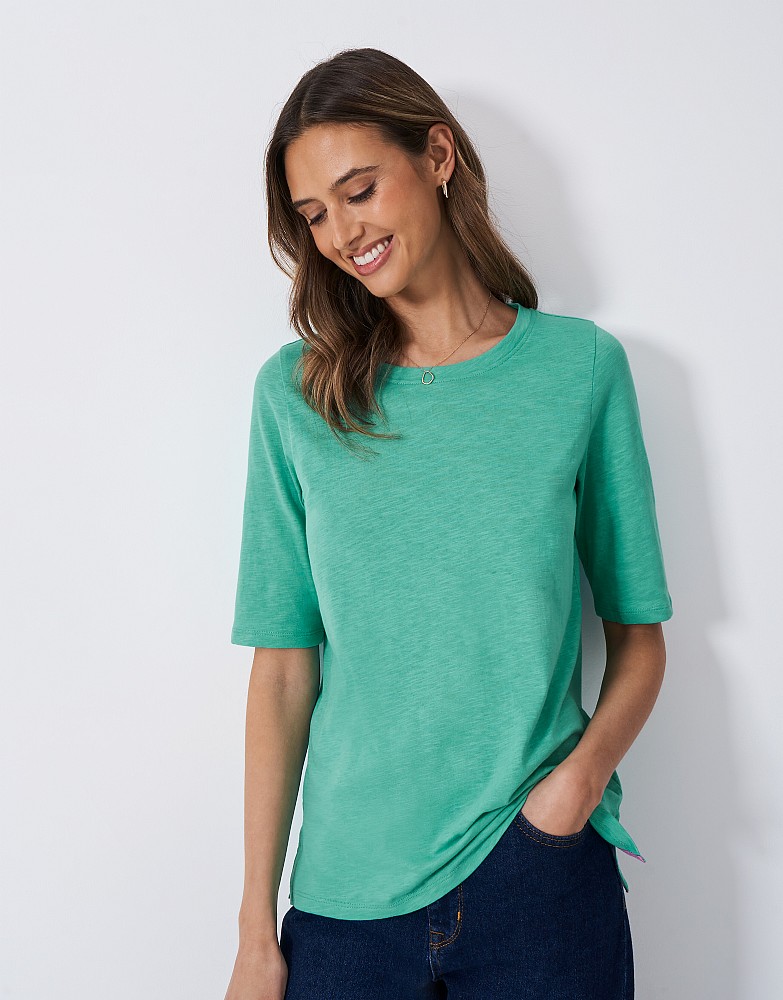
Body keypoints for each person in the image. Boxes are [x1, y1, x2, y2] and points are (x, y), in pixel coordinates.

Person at [224, 46, 672, 1000]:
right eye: (314, 214)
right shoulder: (295, 395)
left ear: (436, 156)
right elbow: (283, 670)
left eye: (359, 190)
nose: (342, 232)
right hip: (346, 898)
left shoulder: (579, 371)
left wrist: (574, 790)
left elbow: (639, 639)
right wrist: (255, 931)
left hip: (536, 876)